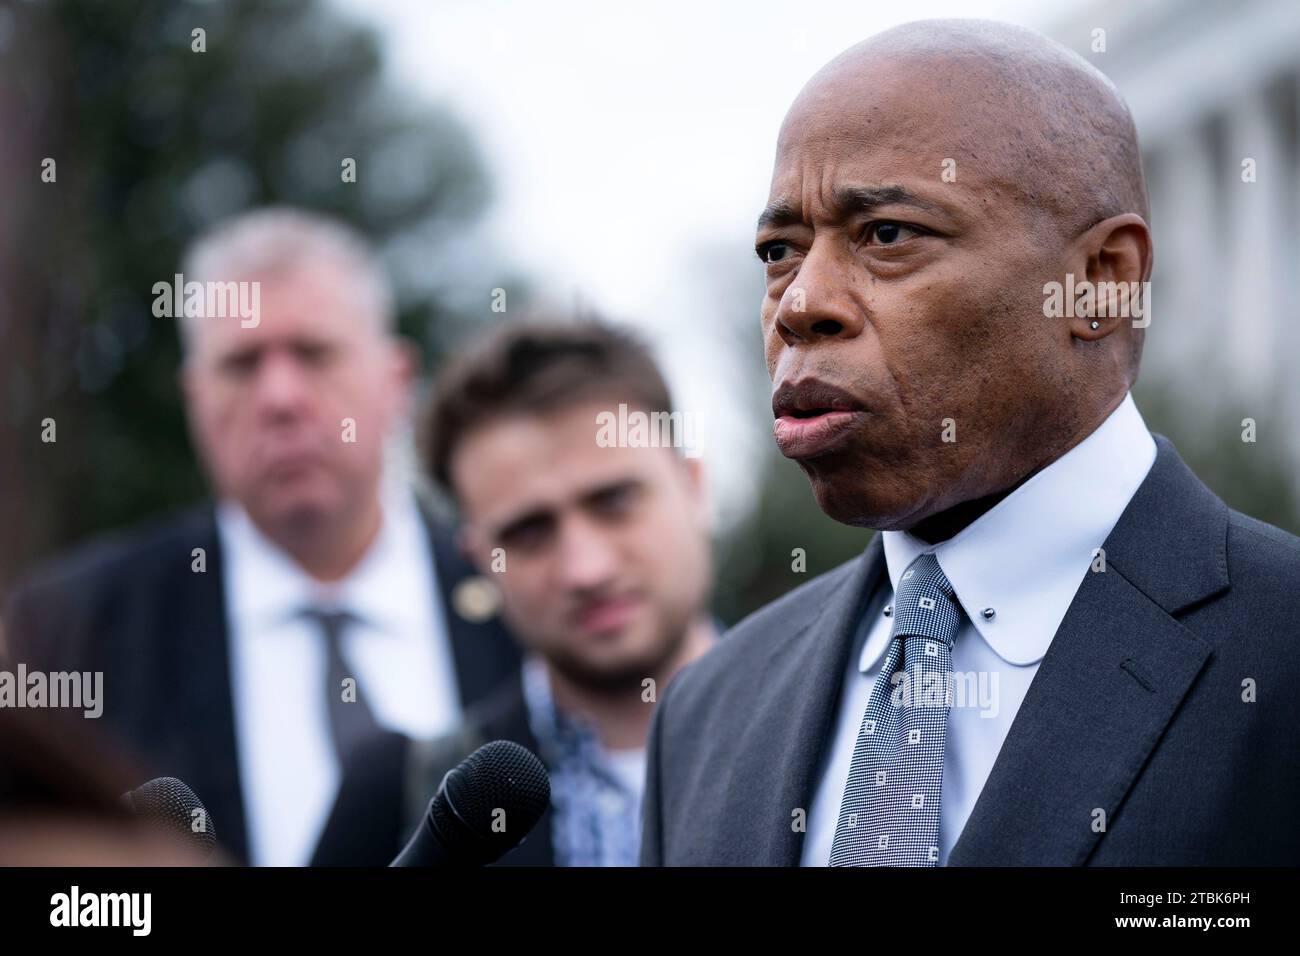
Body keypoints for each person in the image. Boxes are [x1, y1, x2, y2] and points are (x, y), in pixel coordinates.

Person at [641, 19, 1300, 866]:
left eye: (887, 235)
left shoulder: (1278, 658)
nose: (800, 303)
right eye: (779, 250)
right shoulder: (707, 714)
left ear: (1101, 283)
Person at [3, 208, 520, 865]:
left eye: (314, 353)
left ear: (396, 382)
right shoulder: (71, 630)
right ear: (195, 399)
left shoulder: (518, 593)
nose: (280, 397)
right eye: (242, 365)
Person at [322, 321, 717, 866]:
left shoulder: (845, 731)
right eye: (528, 532)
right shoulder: (399, 799)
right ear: (478, 560)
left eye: (614, 502)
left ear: (694, 485)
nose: (586, 568)